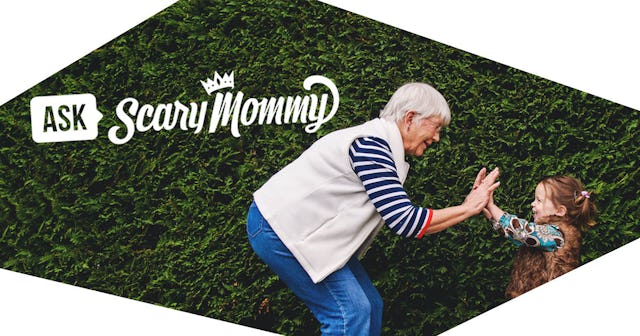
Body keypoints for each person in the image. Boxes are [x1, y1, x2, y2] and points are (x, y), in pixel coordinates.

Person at [246, 82, 500, 335]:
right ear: (410, 118)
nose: (436, 137)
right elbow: (405, 221)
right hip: (280, 228)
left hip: (301, 230)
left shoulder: (383, 147)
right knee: (350, 314)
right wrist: (468, 208)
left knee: (370, 305)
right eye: (436, 127)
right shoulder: (371, 146)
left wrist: (468, 207)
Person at [482, 175, 597, 298]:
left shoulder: (557, 235)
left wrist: (492, 207)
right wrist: (492, 217)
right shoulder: (545, 233)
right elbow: (518, 237)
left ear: (559, 211)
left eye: (539, 200)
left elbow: (522, 232)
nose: (532, 204)